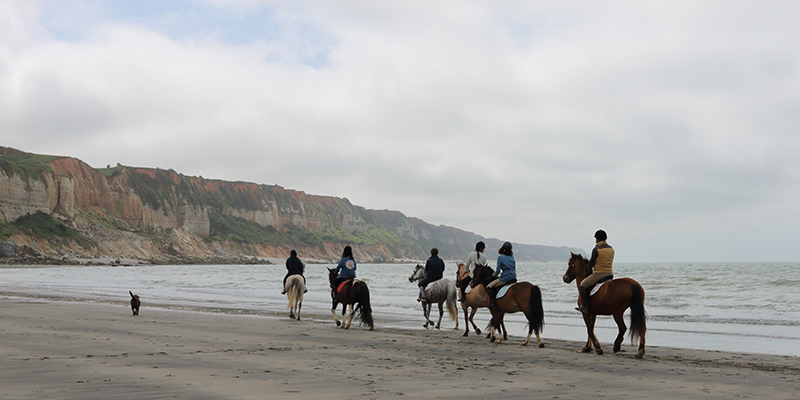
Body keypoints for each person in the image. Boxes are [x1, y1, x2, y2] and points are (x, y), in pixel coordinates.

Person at [578, 230, 615, 314]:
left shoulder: (596, 249)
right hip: (610, 274)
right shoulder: (611, 249)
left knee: (582, 286)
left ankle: (585, 307)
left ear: (597, 239)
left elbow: (591, 263)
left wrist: (585, 267)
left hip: (599, 274)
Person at [486, 241, 517, 309]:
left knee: (489, 287)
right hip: (513, 277)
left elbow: (498, 270)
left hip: (505, 278)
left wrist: (494, 275)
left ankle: (493, 303)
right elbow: (513, 268)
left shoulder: (500, 258)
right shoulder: (512, 258)